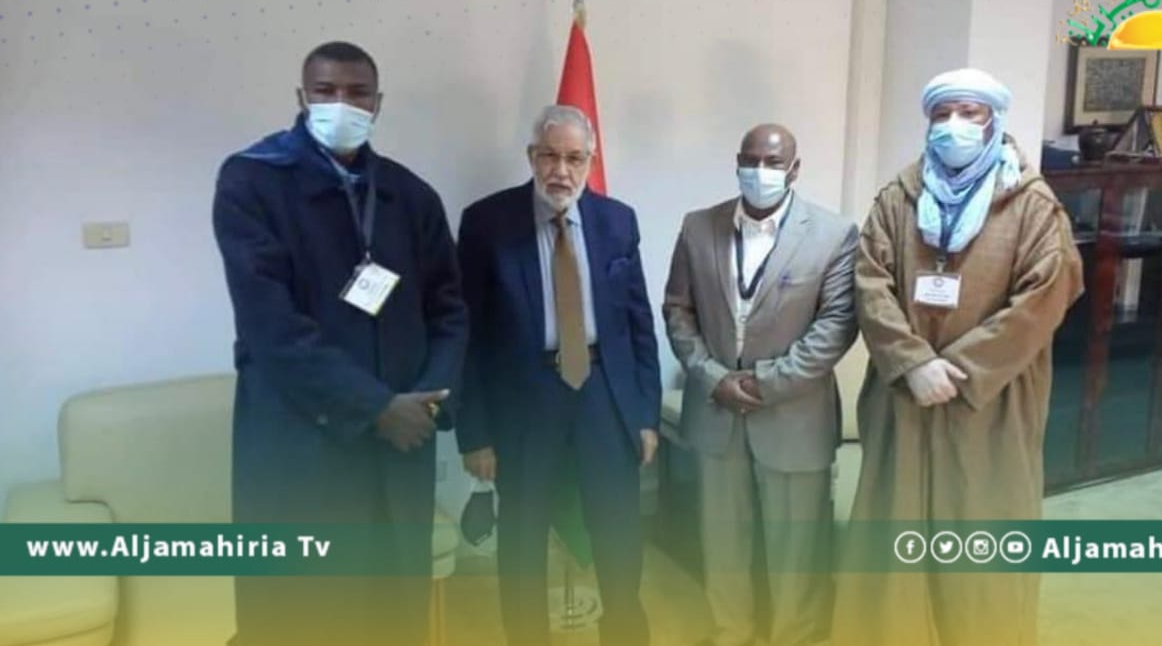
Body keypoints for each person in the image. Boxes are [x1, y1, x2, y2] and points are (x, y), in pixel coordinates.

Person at [212, 41, 467, 646]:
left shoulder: (410, 195)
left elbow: (450, 309)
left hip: (400, 445)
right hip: (303, 445)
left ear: (378, 103)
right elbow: (271, 327)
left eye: (357, 93)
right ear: (302, 97)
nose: (341, 104)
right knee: (304, 615)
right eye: (326, 92)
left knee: (393, 613)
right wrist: (375, 407)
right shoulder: (253, 180)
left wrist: (429, 400)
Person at [833, 68, 1085, 646]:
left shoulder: (1032, 204)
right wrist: (913, 362)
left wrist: (962, 370)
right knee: (895, 532)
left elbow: (1047, 295)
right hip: (905, 395)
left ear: (994, 121)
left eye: (969, 113)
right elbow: (869, 283)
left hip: (993, 401)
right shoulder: (898, 199)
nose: (954, 126)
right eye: (942, 115)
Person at [455, 104, 661, 646]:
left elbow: (638, 324)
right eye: (550, 156)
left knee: (619, 531)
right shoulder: (486, 223)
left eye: (575, 158)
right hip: (524, 400)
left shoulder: (618, 221)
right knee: (522, 537)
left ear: (591, 160)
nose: (561, 171)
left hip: (605, 395)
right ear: (531, 156)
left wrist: (645, 415)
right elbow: (466, 336)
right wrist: (474, 433)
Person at [663, 124, 860, 646]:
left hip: (794, 415)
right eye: (751, 160)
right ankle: (732, 631)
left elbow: (836, 325)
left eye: (773, 163)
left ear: (795, 169)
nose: (760, 172)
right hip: (716, 411)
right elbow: (678, 310)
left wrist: (765, 384)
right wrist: (713, 378)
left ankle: (796, 636)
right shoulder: (698, 227)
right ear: (736, 162)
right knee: (723, 543)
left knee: (797, 551)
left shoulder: (834, 234)